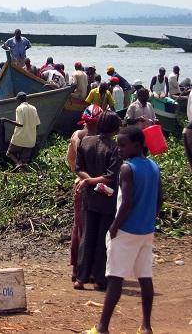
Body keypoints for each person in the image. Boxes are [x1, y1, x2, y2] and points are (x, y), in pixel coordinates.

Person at [83, 126, 163, 334]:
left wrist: (114, 227)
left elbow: (126, 203)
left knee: (115, 279)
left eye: (123, 145)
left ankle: (102, 328)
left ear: (137, 145)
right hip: (146, 231)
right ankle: (146, 326)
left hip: (126, 230)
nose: (119, 148)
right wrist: (148, 220)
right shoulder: (154, 166)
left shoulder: (127, 168)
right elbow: (159, 200)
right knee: (145, 278)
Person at [74, 111, 122, 292]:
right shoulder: (115, 148)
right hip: (108, 199)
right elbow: (110, 176)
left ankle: (80, 278)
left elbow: (79, 168)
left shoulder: (85, 142)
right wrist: (95, 181)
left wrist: (88, 180)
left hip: (90, 197)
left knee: (87, 236)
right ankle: (99, 279)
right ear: (115, 129)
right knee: (104, 238)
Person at [66, 104, 103, 282]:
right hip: (100, 186)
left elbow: (70, 159)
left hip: (80, 184)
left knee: (79, 227)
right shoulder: (103, 139)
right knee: (97, 227)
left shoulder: (77, 135)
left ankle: (77, 270)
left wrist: (78, 174)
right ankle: (94, 270)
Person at [0, 92, 40, 171]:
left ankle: (18, 164)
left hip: (19, 137)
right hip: (30, 139)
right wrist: (34, 134)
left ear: (19, 100)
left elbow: (20, 124)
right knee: (24, 160)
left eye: (17, 100)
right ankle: (22, 168)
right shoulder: (33, 108)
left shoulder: (19, 108)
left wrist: (6, 120)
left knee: (10, 153)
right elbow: (37, 124)